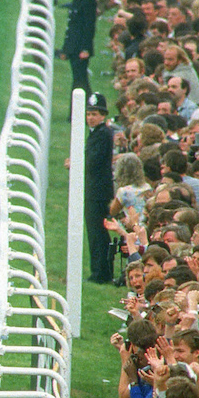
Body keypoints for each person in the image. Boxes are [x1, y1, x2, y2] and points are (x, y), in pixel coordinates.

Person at [59, 0, 97, 120]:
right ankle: (85, 111)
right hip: (74, 48)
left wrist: (85, 49)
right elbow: (72, 28)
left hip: (81, 48)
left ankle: (81, 113)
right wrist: (66, 49)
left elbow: (89, 27)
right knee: (80, 80)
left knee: (80, 82)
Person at [84, 91, 115, 284]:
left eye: (94, 114)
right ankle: (99, 271)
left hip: (98, 191)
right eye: (88, 114)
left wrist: (76, 162)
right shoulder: (99, 133)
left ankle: (100, 273)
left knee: (97, 233)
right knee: (96, 233)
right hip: (95, 189)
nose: (90, 118)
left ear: (103, 116)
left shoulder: (103, 134)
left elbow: (92, 161)